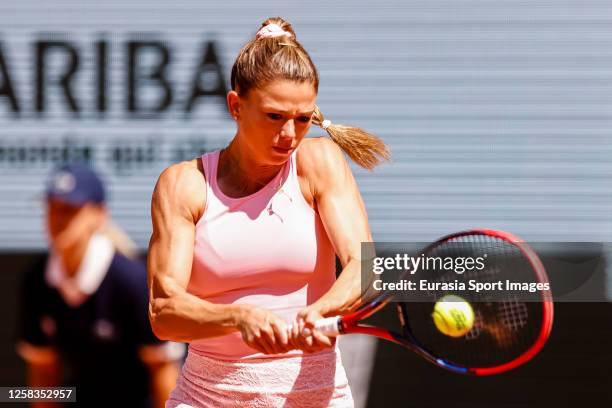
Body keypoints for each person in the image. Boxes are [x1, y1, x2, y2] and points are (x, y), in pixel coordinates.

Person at [148, 17, 389, 407]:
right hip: (206, 397)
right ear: (235, 106)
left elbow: (364, 267)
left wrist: (318, 312)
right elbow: (164, 312)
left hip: (317, 394)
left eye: (303, 120)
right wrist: (239, 317)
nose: (290, 136)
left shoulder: (320, 162)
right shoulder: (183, 184)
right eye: (275, 117)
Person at [17, 163, 184, 408]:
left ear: (100, 214)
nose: (57, 219)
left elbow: (162, 370)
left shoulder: (132, 281)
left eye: (70, 210)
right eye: (52, 208)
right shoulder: (35, 280)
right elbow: (43, 369)